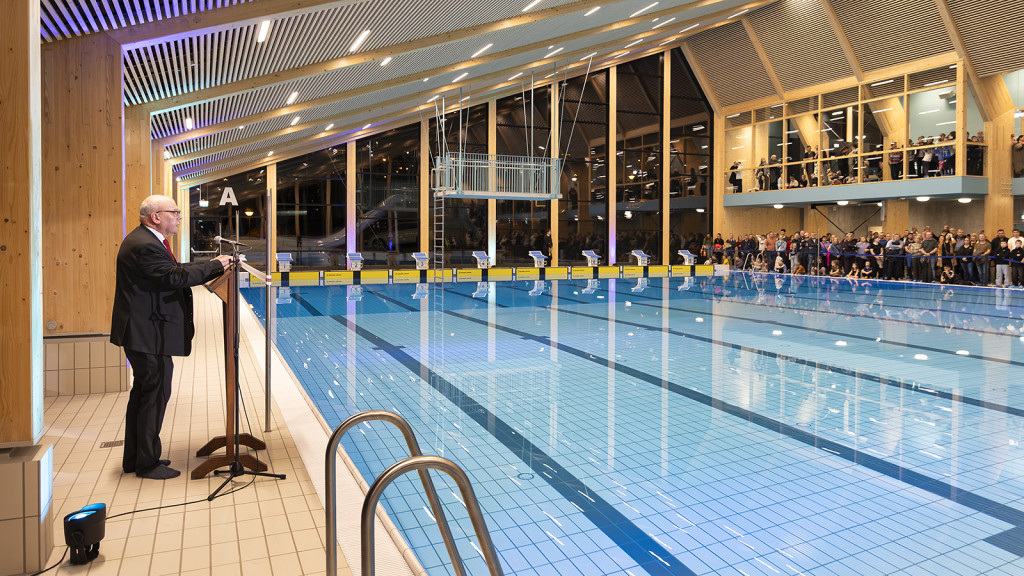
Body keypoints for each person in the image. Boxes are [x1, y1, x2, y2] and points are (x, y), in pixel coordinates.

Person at [110, 196, 231, 479]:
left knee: (144, 395)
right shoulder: (145, 245)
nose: (179, 217)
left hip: (145, 333)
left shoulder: (147, 241)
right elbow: (172, 278)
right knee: (154, 395)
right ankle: (147, 464)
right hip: (146, 334)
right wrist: (214, 266)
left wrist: (211, 264)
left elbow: (172, 269)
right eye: (174, 212)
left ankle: (137, 458)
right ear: (155, 217)